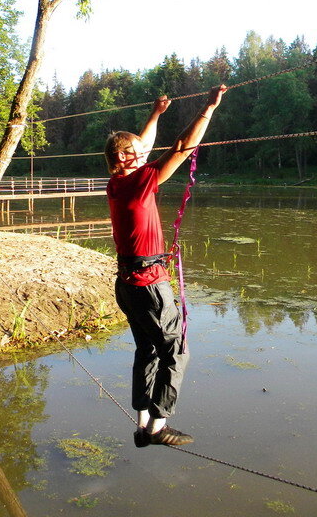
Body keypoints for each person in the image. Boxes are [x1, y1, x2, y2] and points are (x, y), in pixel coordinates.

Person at [105, 84, 227, 447]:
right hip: (148, 285)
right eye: (137, 152)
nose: (145, 153)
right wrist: (208, 108)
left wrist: (155, 115)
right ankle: (158, 427)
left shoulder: (117, 182)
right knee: (177, 351)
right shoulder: (141, 181)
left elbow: (141, 145)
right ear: (126, 157)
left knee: (146, 349)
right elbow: (180, 148)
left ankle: (142, 422)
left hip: (127, 285)